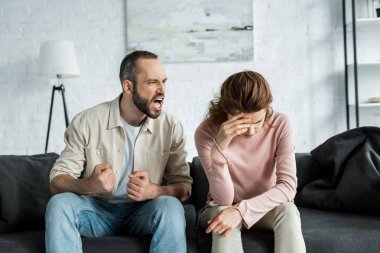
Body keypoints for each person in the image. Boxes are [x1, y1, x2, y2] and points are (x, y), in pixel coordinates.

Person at [45, 50, 193, 253]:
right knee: (59, 204)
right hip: (95, 212)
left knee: (171, 207)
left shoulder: (170, 127)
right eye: (152, 82)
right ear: (128, 86)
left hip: (143, 213)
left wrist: (155, 191)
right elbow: (57, 181)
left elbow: (184, 188)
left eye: (163, 81)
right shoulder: (87, 121)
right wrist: (90, 185)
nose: (162, 90)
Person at [194, 70, 306, 253]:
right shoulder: (206, 132)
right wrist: (218, 150)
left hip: (265, 209)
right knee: (223, 213)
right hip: (222, 207)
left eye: (258, 122)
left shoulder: (281, 124)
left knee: (288, 210)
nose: (251, 131)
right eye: (243, 123)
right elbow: (223, 199)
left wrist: (241, 211)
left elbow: (287, 187)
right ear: (226, 111)